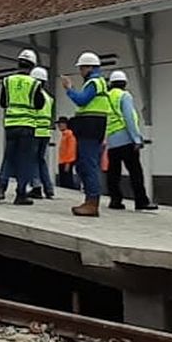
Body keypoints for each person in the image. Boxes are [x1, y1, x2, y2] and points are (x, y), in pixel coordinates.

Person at [0, 49, 45, 205]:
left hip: (11, 125)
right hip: (27, 126)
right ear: (32, 66)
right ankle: (21, 194)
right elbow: (39, 104)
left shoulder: (8, 80)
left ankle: (0, 189)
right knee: (25, 160)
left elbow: (3, 103)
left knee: (8, 158)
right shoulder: (34, 83)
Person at [61, 51, 110, 217]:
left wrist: (69, 89)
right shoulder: (99, 82)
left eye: (82, 68)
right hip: (94, 126)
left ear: (89, 67)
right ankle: (90, 200)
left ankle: (92, 202)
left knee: (88, 164)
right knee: (86, 163)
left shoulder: (94, 82)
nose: (80, 71)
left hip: (90, 126)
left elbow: (82, 100)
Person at [104, 70, 158, 212]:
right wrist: (136, 138)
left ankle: (115, 200)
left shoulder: (107, 97)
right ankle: (141, 201)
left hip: (112, 140)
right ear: (125, 83)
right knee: (135, 172)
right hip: (126, 138)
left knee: (113, 172)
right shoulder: (124, 95)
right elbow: (129, 118)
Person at [28, 67, 56, 200]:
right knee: (41, 160)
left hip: (34, 131)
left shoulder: (33, 96)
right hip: (45, 132)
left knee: (32, 160)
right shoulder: (49, 98)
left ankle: (36, 187)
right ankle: (49, 189)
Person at [56, 117, 79, 189]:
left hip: (66, 162)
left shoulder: (69, 134)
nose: (59, 125)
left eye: (61, 123)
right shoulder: (65, 134)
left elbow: (71, 149)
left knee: (66, 182)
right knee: (63, 181)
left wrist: (68, 163)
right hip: (62, 161)